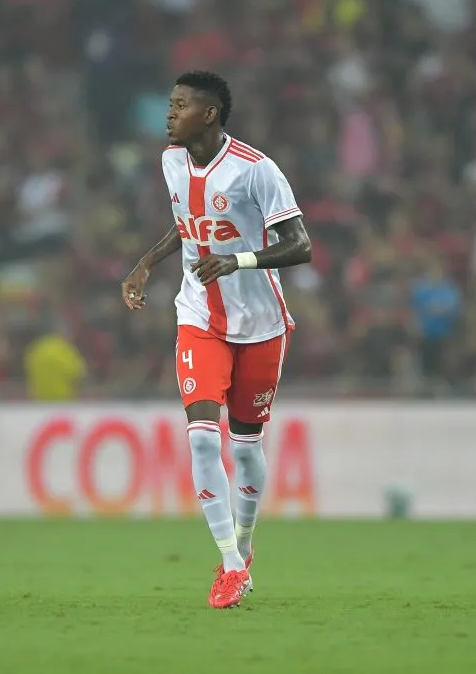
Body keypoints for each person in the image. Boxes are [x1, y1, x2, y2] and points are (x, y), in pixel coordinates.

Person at [121, 71, 312, 609]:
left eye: (179, 105)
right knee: (203, 437)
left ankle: (245, 547)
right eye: (169, 103)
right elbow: (188, 223)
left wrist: (238, 260)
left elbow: (301, 246)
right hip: (198, 316)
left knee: (247, 447)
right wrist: (145, 263)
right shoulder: (170, 161)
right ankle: (229, 564)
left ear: (208, 114)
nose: (169, 113)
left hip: (261, 325)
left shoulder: (257, 171)